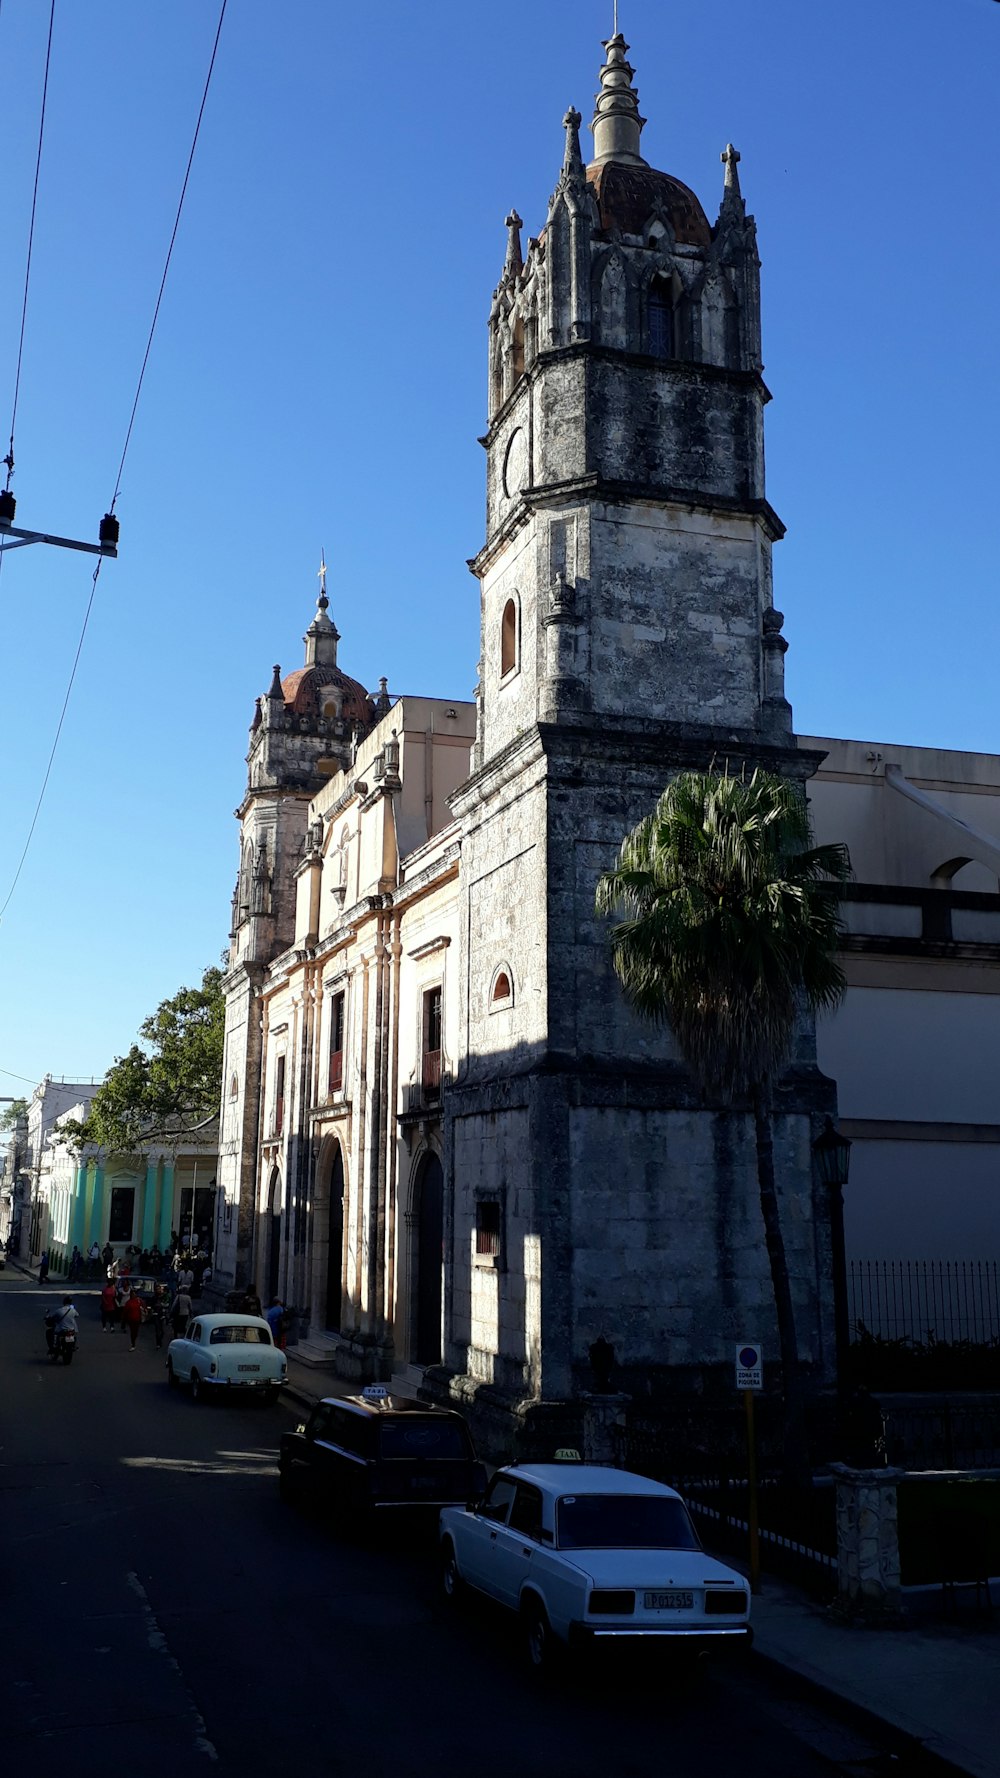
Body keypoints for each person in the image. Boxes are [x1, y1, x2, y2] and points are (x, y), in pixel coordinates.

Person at [120, 1285, 144, 1352]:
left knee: (136, 1332)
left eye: (134, 1294)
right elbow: (125, 1312)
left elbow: (144, 1307)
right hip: (131, 1319)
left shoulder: (139, 1301)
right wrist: (123, 1320)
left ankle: (134, 1341)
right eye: (132, 1294)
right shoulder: (128, 1303)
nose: (133, 1295)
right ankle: (133, 1344)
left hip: (138, 1319)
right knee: (133, 1332)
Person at [150, 1284, 168, 1350]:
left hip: (162, 1314)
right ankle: (158, 1343)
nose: (159, 1290)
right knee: (157, 1330)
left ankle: (160, 1339)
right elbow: (151, 1306)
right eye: (157, 1289)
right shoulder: (154, 1298)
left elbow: (167, 1304)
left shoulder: (163, 1297)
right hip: (156, 1314)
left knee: (162, 1331)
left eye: (159, 1289)